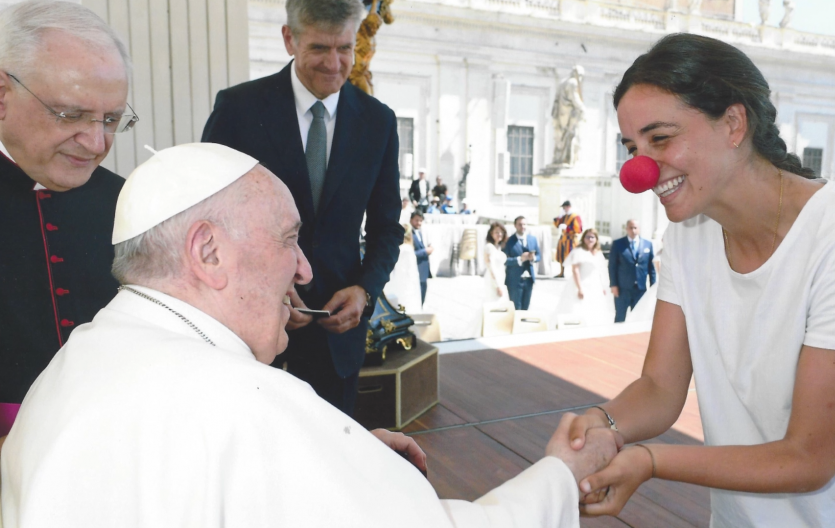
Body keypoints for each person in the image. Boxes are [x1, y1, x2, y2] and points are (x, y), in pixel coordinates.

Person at [0, 143, 622, 527]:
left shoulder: (76, 359)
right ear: (208, 252)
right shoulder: (244, 401)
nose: (305, 270)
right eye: (287, 239)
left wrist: (329, 460)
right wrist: (560, 476)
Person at [565, 33, 835, 527]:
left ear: (734, 123)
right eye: (632, 146)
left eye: (661, 138)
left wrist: (650, 460)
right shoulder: (690, 232)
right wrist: (600, 424)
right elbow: (659, 386)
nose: (639, 170)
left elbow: (810, 456)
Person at [201, 0, 405, 416]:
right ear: (289, 39)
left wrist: (366, 291)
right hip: (250, 330)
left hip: (337, 342)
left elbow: (387, 230)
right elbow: (206, 218)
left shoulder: (378, 122)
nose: (334, 64)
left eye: (345, 49)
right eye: (319, 49)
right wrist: (266, 290)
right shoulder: (238, 109)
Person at [0, 0, 135, 445]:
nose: (96, 143)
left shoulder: (131, 201)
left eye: (112, 120)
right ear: (2, 96)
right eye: (71, 115)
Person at [555, 228, 612, 326]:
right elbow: (575, 270)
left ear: (596, 239)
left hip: (594, 284)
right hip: (581, 283)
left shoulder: (598, 253)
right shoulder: (578, 251)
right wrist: (580, 288)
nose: (590, 239)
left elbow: (600, 271)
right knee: (577, 307)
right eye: (587, 237)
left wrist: (602, 286)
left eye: (592, 237)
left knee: (595, 308)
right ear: (583, 238)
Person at [608, 219, 656, 323]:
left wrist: (653, 287)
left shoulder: (647, 244)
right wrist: (613, 285)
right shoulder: (618, 244)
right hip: (622, 289)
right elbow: (612, 266)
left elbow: (651, 268)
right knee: (620, 317)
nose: (633, 230)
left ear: (639, 229)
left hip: (640, 289)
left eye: (635, 228)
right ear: (626, 229)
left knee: (638, 318)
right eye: (631, 227)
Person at [504, 216, 540, 310]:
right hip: (514, 280)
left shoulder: (533, 239)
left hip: (529, 280)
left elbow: (539, 256)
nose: (522, 226)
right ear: (515, 226)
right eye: (520, 224)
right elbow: (504, 260)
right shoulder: (508, 241)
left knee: (525, 308)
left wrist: (533, 258)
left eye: (524, 224)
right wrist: (519, 259)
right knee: (516, 308)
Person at [553, 200, 582, 278]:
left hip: (571, 239)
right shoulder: (564, 216)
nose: (563, 209)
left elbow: (578, 229)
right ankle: (561, 272)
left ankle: (575, 273)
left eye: (564, 207)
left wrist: (567, 228)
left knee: (573, 256)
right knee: (561, 255)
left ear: (568, 207)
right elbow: (557, 225)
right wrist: (558, 218)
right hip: (563, 238)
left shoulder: (575, 216)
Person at [410, 211, 433, 306]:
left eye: (420, 221)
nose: (418, 223)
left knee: (422, 296)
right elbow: (409, 254)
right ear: (411, 220)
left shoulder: (421, 232)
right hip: (415, 270)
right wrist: (425, 251)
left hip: (423, 270)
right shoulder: (408, 234)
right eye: (416, 220)